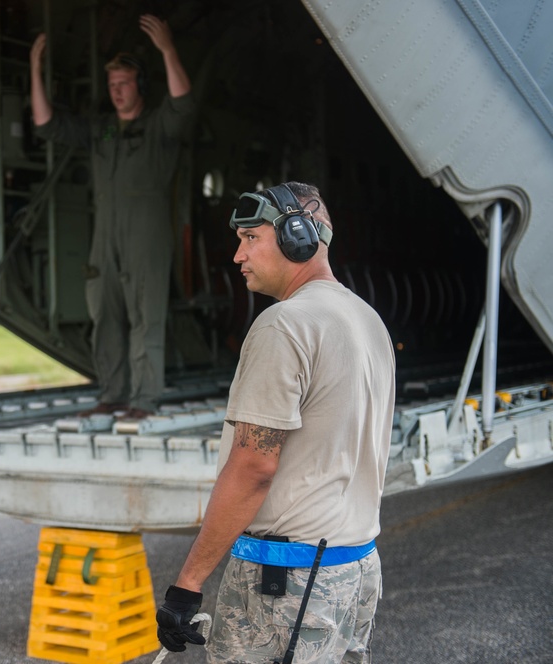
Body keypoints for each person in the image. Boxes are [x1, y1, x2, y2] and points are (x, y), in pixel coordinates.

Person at [155, 182, 396, 663]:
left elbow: (253, 468)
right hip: (355, 568)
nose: (237, 254)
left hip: (287, 585)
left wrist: (187, 585)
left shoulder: (283, 325)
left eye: (251, 238)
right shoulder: (367, 320)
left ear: (298, 238)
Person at [30, 15, 195, 420]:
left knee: (144, 318)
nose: (117, 92)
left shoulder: (158, 128)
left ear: (139, 85)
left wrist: (168, 50)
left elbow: (183, 105)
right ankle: (113, 393)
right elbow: (46, 124)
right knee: (105, 317)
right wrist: (34, 69)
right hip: (105, 237)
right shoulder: (101, 130)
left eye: (123, 84)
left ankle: (143, 400)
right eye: (112, 85)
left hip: (147, 236)